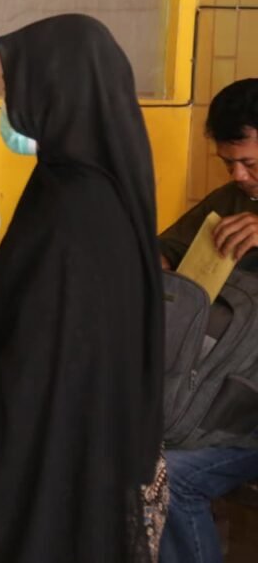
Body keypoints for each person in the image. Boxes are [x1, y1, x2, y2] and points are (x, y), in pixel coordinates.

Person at [0, 14, 166, 562]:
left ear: (55, 94)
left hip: (47, 459)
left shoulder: (71, 211)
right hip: (88, 448)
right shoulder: (101, 190)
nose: (8, 106)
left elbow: (40, 366)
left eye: (13, 88)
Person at [157, 78, 258, 563]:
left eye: (250, 163)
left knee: (173, 478)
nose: (238, 175)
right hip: (221, 407)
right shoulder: (231, 202)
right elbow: (163, 251)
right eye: (228, 163)